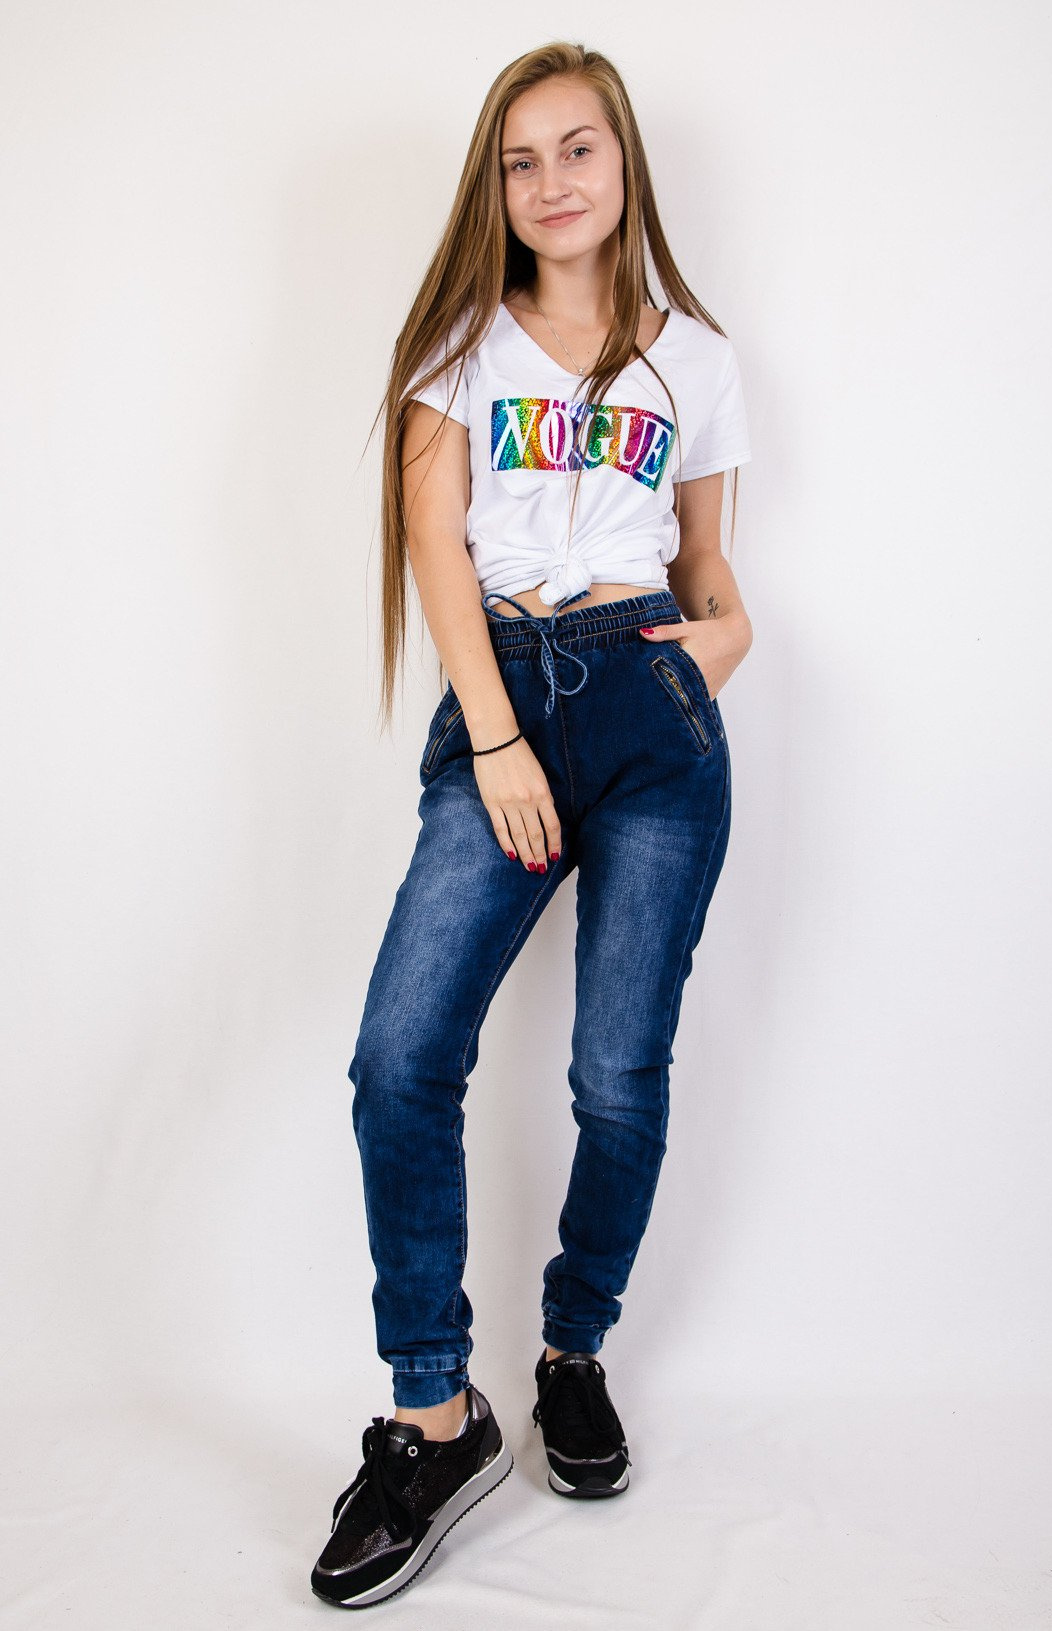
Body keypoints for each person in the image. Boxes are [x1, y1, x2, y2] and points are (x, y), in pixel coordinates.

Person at [310, 40, 753, 1611]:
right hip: (506, 698)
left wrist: (719, 645)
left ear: (625, 162)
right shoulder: (460, 341)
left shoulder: (697, 357)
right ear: (492, 189)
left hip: (652, 716)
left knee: (617, 1077)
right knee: (401, 1056)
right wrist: (498, 738)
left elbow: (710, 569)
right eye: (520, 160)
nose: (550, 182)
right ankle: (435, 1416)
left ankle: (573, 1352)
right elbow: (435, 543)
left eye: (577, 149)